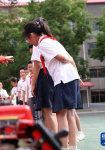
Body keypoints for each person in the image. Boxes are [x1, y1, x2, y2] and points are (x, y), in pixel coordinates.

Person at [22, 17, 84, 150]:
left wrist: (33, 85)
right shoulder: (52, 40)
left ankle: (63, 147)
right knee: (69, 114)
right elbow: (70, 57)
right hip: (70, 77)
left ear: (32, 34)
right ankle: (72, 147)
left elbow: (61, 58)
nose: (28, 41)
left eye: (27, 38)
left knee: (60, 114)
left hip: (62, 79)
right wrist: (77, 76)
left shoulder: (42, 43)